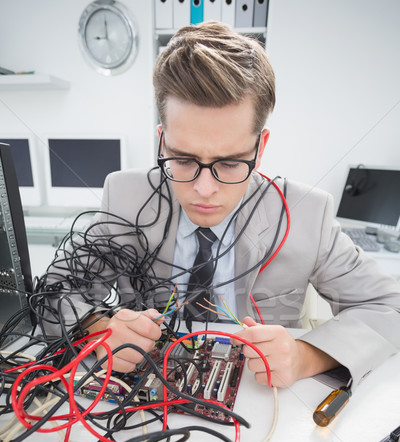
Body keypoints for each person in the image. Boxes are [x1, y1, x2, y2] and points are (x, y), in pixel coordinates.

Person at [39, 21, 400, 390]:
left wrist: (306, 355)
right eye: (182, 159)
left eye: (229, 163)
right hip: (143, 399)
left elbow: (389, 307)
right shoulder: (125, 196)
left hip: (259, 399)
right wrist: (98, 329)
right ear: (162, 142)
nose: (204, 189)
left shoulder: (308, 213)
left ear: (260, 149)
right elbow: (54, 291)